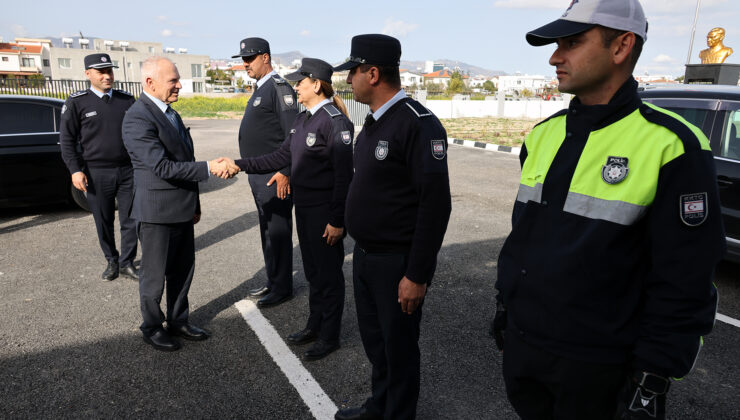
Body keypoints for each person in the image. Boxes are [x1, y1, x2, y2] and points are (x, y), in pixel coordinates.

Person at [492, 0, 726, 418]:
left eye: (572, 42)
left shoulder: (673, 146)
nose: (554, 56)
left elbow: (684, 280)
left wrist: (652, 377)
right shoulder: (543, 135)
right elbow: (527, 239)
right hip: (527, 351)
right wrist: (506, 312)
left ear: (621, 47)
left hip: (601, 369)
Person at [333, 34, 452, 420]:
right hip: (366, 257)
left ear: (372, 73)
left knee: (399, 351)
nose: (348, 80)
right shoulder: (372, 124)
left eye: (352, 72)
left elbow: (436, 206)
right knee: (377, 345)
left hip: (397, 263)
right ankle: (378, 407)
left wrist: (416, 274)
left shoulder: (418, 124)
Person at [234, 58, 354, 361]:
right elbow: (277, 157)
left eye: (301, 81)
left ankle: (330, 336)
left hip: (325, 212)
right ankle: (314, 325)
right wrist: (239, 164)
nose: (296, 86)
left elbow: (344, 178)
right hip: (305, 208)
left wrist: (338, 221)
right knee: (314, 272)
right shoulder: (303, 120)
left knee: (328, 276)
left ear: (316, 84)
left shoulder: (334, 122)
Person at [122, 56, 239, 352]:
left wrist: (195, 204)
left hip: (182, 209)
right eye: (173, 80)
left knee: (182, 270)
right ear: (150, 82)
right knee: (154, 276)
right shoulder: (138, 117)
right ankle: (151, 326)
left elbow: (182, 158)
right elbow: (161, 167)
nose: (179, 85)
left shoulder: (169, 113)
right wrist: (209, 167)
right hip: (157, 212)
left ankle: (177, 320)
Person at [232, 37, 299, 308]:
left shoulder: (279, 88)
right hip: (259, 174)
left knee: (278, 231)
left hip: (274, 175)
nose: (245, 64)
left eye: (250, 59)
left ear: (265, 58)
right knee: (268, 230)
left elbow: (292, 134)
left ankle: (282, 287)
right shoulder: (261, 87)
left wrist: (285, 171)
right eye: (243, 60)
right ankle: (274, 280)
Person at [59, 53, 138, 281]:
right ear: (88, 74)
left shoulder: (126, 100)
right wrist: (75, 169)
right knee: (103, 220)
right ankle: (111, 261)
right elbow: (67, 140)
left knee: (130, 219)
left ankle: (127, 262)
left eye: (109, 71)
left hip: (127, 171)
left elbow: (137, 134)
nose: (107, 76)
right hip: (96, 173)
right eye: (101, 72)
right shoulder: (77, 102)